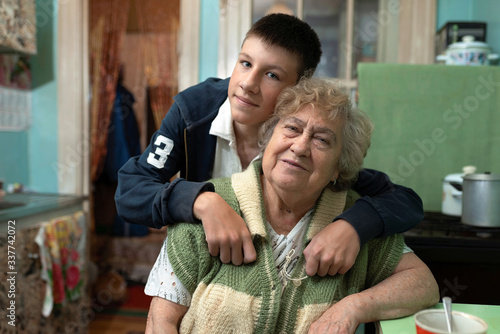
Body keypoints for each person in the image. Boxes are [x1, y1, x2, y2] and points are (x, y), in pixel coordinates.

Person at [115, 13, 424, 276]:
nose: (248, 84)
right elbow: (130, 191)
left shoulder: (300, 144)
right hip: (199, 271)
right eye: (245, 63)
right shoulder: (192, 111)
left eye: (272, 75)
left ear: (298, 87)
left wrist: (355, 225)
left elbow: (405, 200)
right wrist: (202, 201)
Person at [144, 78, 439, 334]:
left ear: (339, 167)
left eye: (322, 140)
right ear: (268, 139)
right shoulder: (208, 208)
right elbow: (160, 323)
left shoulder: (357, 221)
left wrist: (351, 308)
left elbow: (423, 285)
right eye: (292, 129)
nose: (300, 147)